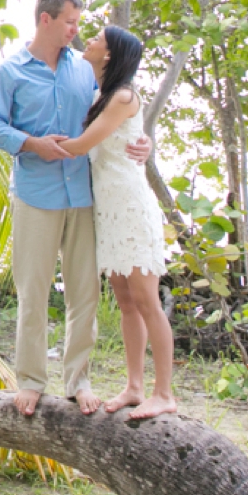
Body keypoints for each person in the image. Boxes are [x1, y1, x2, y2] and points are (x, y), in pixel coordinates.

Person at [0, 0, 152, 417]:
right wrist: (31, 143)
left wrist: (143, 143)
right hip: (36, 196)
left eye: (79, 23)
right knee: (33, 293)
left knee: (84, 295)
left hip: (83, 195)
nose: (77, 30)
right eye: (71, 22)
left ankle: (79, 380)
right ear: (46, 20)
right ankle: (32, 381)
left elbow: (117, 111)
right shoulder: (10, 72)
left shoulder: (85, 69)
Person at [59, 25, 176, 420]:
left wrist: (26, 143)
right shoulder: (99, 94)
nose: (88, 42)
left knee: (147, 302)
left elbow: (81, 145)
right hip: (108, 210)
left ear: (109, 55)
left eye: (97, 40)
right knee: (126, 303)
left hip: (130, 207)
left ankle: (164, 392)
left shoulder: (123, 96)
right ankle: (134, 387)